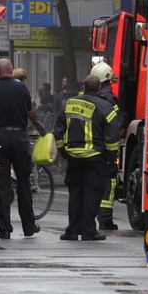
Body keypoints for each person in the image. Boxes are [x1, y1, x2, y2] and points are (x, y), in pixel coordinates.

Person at [55, 74, 120, 242]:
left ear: (84, 87)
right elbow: (112, 137)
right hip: (95, 159)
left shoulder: (70, 104)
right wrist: (111, 158)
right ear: (99, 88)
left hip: (74, 157)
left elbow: (58, 130)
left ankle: (72, 231)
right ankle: (89, 231)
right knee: (92, 194)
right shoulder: (105, 107)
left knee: (75, 194)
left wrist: (64, 152)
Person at [0, 60, 43, 239]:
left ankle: (4, 229)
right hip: (20, 138)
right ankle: (28, 226)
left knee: (1, 185)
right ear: (11, 71)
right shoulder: (22, 89)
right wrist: (43, 132)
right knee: (24, 182)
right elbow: (29, 111)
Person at [90, 62, 122, 231]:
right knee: (109, 183)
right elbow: (115, 124)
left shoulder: (84, 97)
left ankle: (86, 220)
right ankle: (105, 219)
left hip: (88, 147)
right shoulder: (109, 99)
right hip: (104, 148)